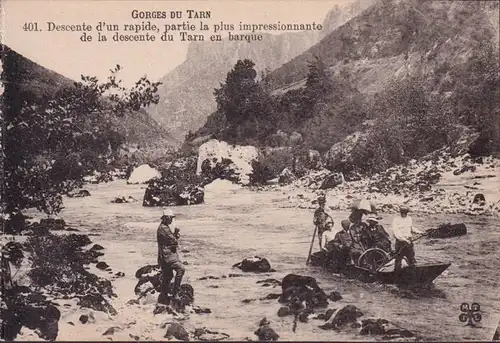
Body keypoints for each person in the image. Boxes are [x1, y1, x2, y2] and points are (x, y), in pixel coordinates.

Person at [157, 209, 186, 304]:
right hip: (167, 255)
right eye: (171, 218)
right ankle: (175, 294)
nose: (172, 220)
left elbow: (172, 240)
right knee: (181, 269)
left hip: (164, 255)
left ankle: (163, 297)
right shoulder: (164, 228)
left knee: (168, 276)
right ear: (166, 218)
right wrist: (176, 233)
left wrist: (175, 234)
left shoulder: (164, 227)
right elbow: (174, 241)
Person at [390, 206, 424, 271]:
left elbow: (411, 228)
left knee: (411, 258)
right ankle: (397, 274)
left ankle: (413, 273)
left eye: (405, 213)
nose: (404, 214)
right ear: (400, 212)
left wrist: (420, 232)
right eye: (403, 212)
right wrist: (404, 240)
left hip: (409, 242)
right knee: (398, 259)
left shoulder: (409, 218)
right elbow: (396, 233)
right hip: (400, 243)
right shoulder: (396, 220)